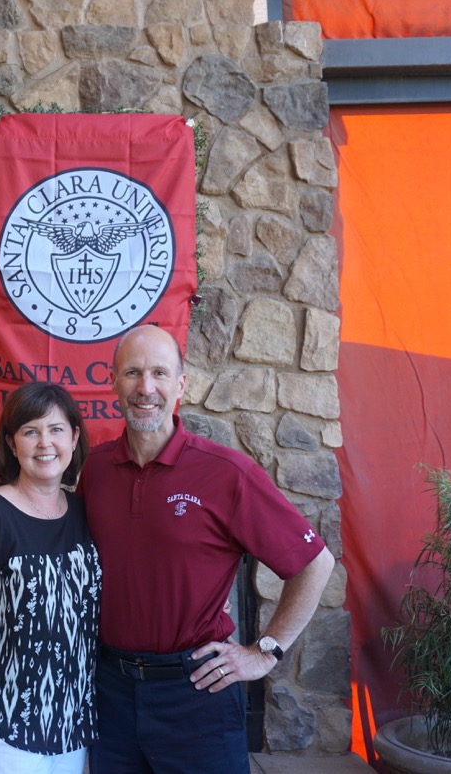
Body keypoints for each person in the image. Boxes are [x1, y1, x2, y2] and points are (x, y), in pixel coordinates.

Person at [80, 324, 335, 774]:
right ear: (113, 381)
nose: (146, 388)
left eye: (160, 373)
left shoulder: (226, 473)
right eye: (133, 373)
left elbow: (315, 563)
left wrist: (264, 652)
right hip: (110, 696)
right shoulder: (94, 471)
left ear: (181, 385)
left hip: (197, 693)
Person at [0, 382, 101, 774]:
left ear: (74, 437)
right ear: (12, 444)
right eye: (30, 431)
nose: (45, 443)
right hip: (6, 723)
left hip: (71, 726)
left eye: (56, 429)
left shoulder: (84, 513)